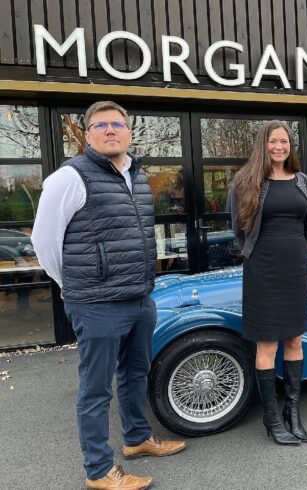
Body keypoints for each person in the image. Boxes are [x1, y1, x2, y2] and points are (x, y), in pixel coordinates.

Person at [31, 101, 185, 490]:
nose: (111, 130)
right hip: (97, 303)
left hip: (139, 298)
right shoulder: (69, 177)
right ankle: (99, 471)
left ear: (129, 132)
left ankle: (136, 440)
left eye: (118, 124)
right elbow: (44, 240)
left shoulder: (138, 174)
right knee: (95, 388)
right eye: (101, 125)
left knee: (136, 372)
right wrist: (71, 283)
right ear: (88, 134)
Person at [229, 121, 307, 444]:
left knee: (294, 339)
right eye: (273, 141)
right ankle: (272, 418)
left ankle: (293, 412)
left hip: (296, 268)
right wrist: (253, 254)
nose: (280, 146)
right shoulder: (247, 181)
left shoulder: (302, 181)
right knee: (268, 343)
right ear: (263, 145)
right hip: (263, 270)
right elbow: (238, 227)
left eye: (285, 141)